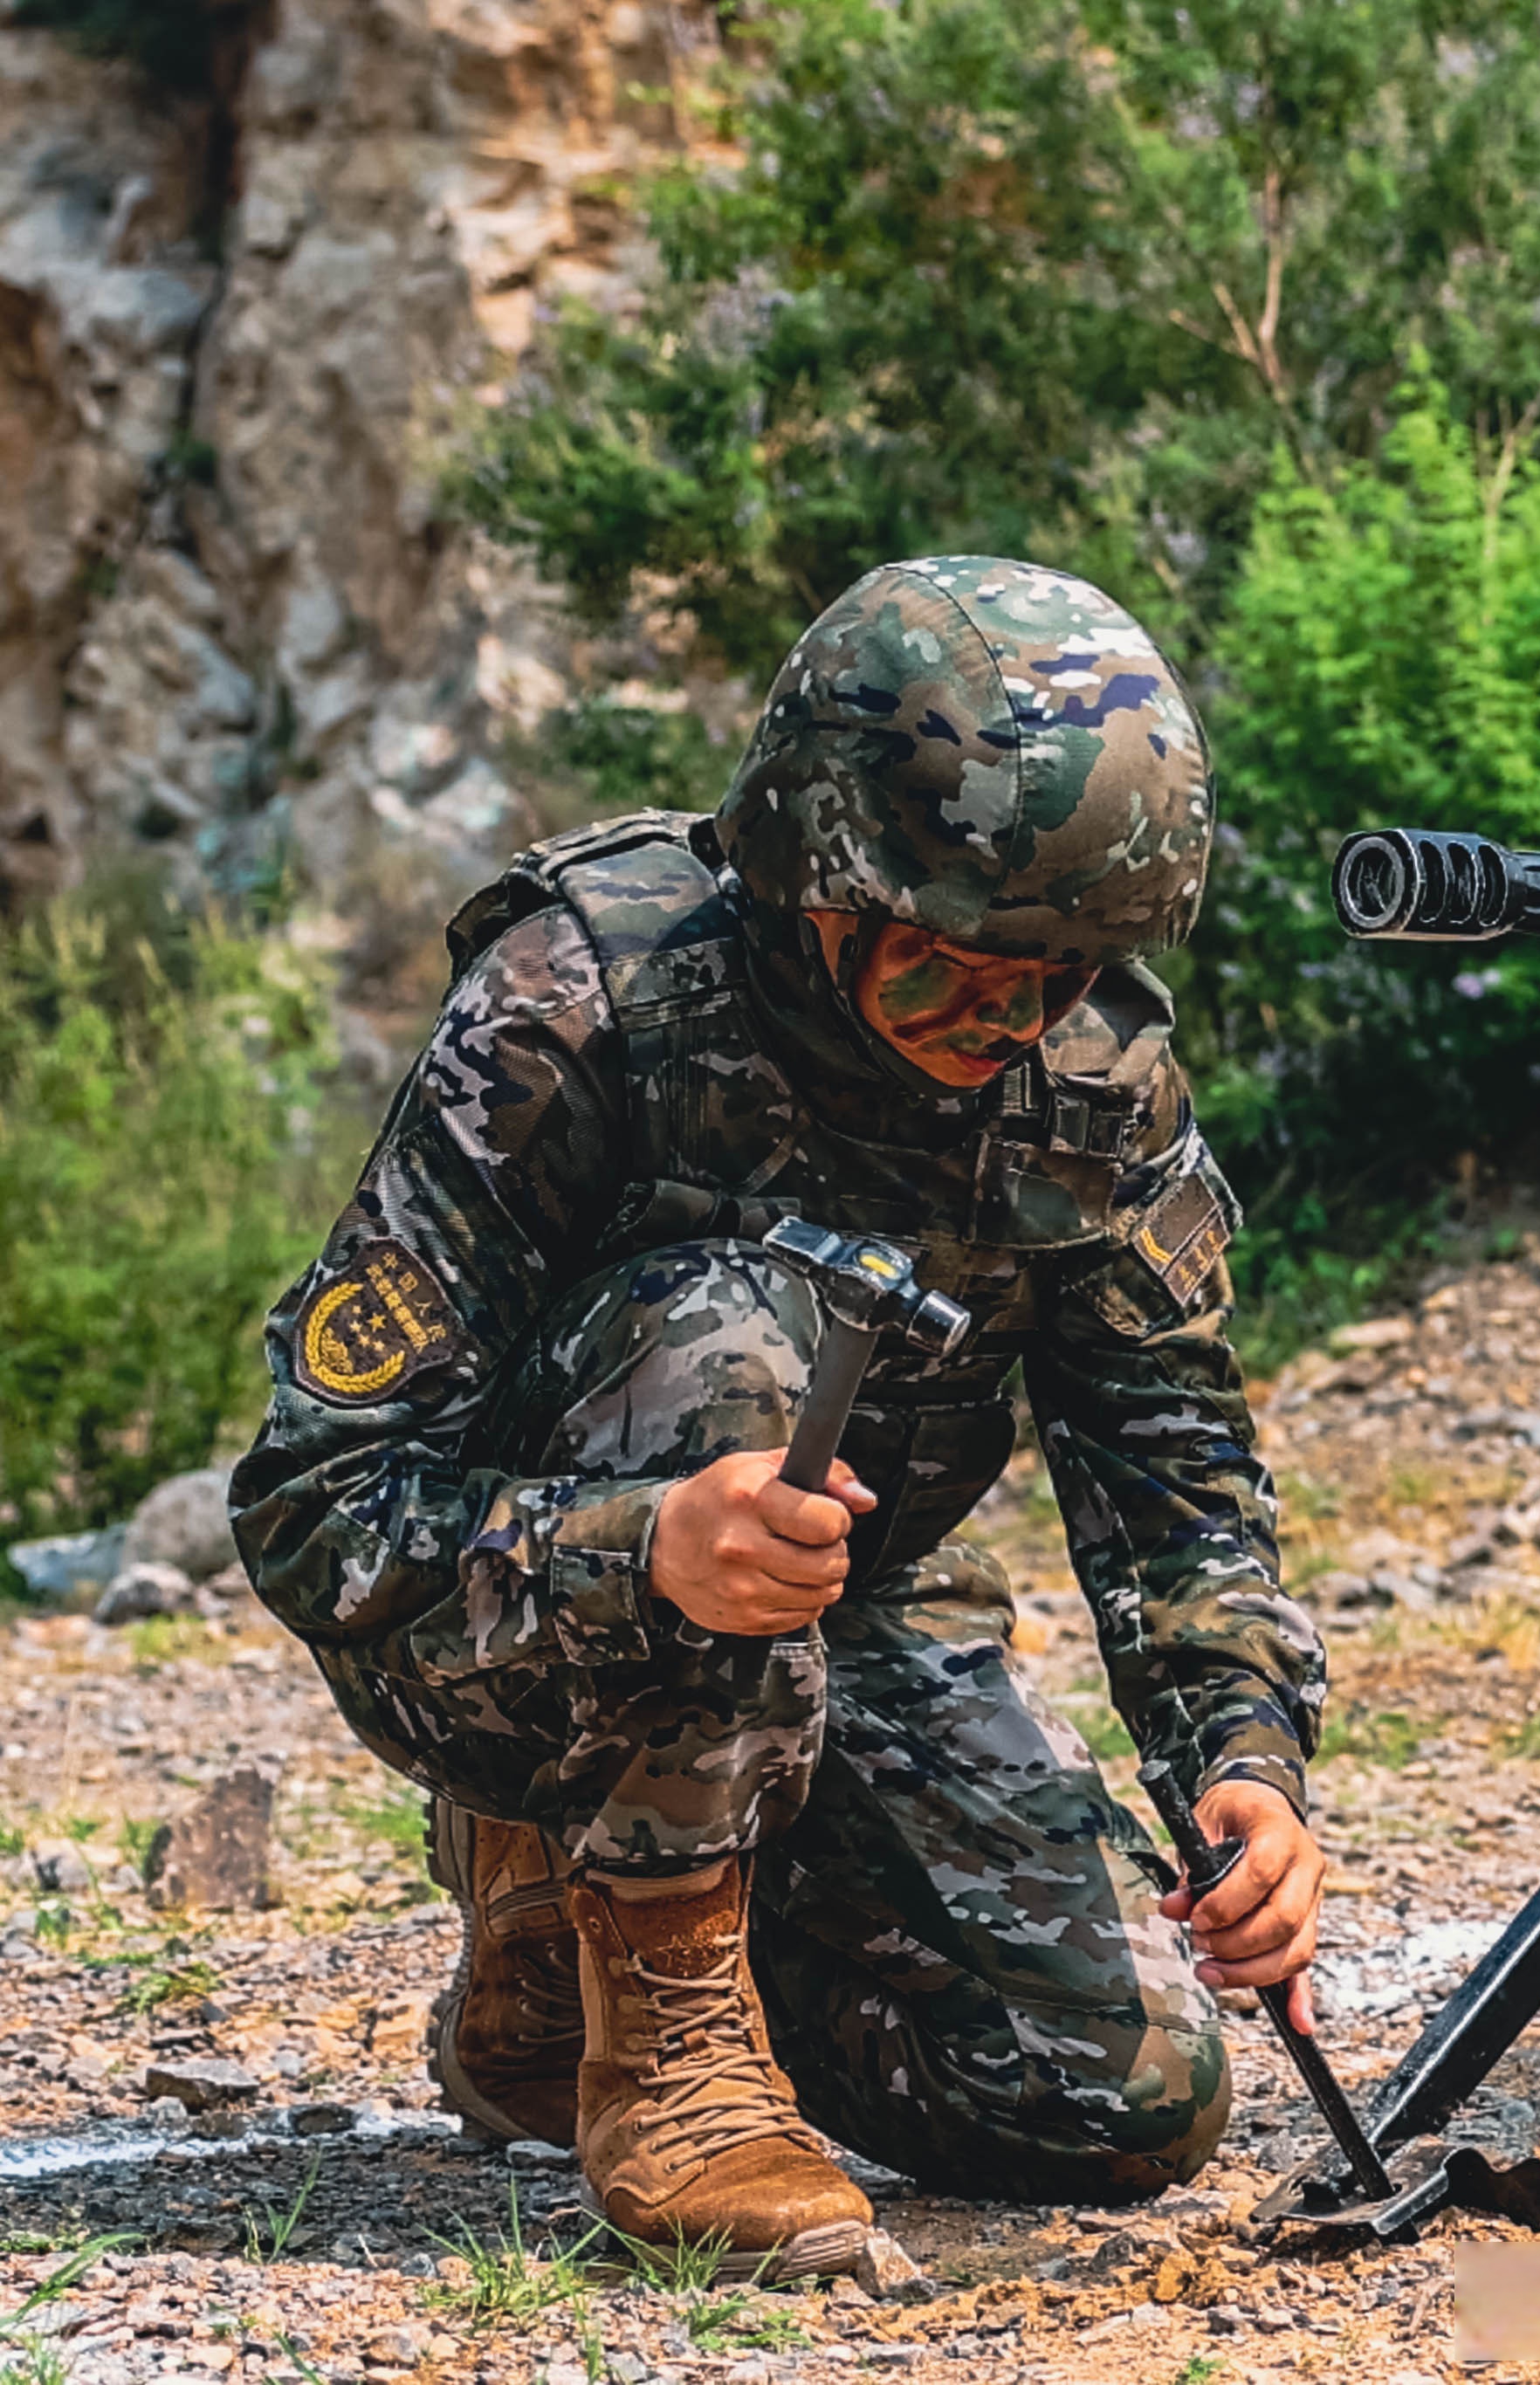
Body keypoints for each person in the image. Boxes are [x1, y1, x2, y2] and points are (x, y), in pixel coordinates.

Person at [231, 557, 1328, 2272]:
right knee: (743, 1334)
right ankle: (668, 2044)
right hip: (499, 1623)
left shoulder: (1092, 1077)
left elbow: (1173, 1466)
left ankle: (552, 1983)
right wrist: (643, 1545)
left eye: (1051, 972)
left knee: (1113, 2101)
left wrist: (1243, 1767)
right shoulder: (572, 1003)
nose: (1007, 1019)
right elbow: (317, 1503)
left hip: (841, 1618)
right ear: (824, 865)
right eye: (955, 965)